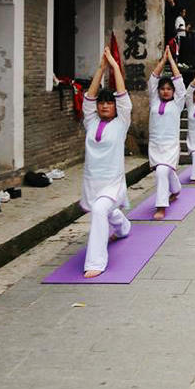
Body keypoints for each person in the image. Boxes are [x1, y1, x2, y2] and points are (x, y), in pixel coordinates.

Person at [80, 48, 133, 278]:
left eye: (109, 104)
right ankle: (123, 227)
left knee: (101, 210)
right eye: (101, 103)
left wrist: (113, 66)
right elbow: (89, 98)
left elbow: (122, 97)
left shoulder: (121, 123)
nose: (104, 106)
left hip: (112, 182)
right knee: (106, 212)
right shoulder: (90, 122)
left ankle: (96, 262)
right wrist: (100, 69)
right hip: (93, 182)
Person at [148, 46, 186, 220]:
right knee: (165, 171)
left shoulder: (177, 103)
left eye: (168, 89)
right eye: (162, 88)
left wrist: (171, 60)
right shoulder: (154, 101)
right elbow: (152, 79)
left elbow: (178, 81)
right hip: (155, 145)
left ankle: (161, 206)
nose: (165, 91)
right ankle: (176, 188)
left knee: (162, 171)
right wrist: (162, 61)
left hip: (170, 145)